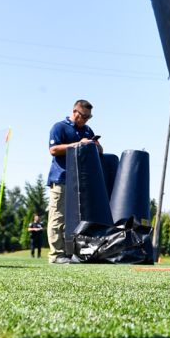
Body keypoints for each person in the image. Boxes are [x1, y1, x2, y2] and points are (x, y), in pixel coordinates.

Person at [46, 100, 100, 264]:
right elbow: (53, 150)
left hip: (79, 182)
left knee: (75, 220)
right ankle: (56, 255)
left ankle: (70, 253)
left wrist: (95, 145)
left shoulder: (87, 130)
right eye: (84, 116)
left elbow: (99, 151)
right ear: (75, 112)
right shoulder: (59, 127)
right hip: (61, 178)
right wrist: (78, 144)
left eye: (89, 117)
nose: (86, 120)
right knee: (58, 218)